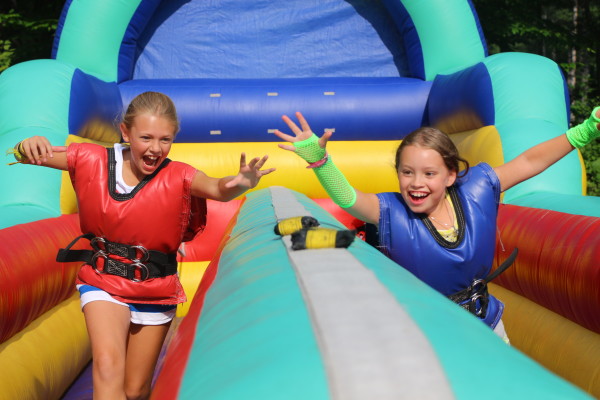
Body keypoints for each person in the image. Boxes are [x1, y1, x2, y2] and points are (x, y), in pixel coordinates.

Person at [10, 91, 275, 400]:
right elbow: (28, 154)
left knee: (135, 391)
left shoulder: (180, 175)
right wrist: (25, 145)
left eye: (165, 140)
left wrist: (241, 183)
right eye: (146, 138)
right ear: (125, 132)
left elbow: (218, 188)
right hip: (103, 280)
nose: (155, 149)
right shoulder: (90, 158)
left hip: (156, 287)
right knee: (108, 366)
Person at [273, 108, 600, 342]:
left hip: (486, 323)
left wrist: (585, 131)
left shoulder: (477, 189)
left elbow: (529, 162)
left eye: (429, 174)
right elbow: (348, 198)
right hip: (426, 331)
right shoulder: (390, 210)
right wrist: (319, 160)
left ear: (451, 175)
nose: (416, 183)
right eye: (407, 172)